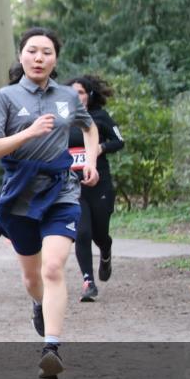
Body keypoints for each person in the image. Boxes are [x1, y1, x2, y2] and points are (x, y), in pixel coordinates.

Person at [0, 27, 99, 379]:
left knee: (53, 268)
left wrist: (90, 160)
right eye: (32, 51)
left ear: (55, 59)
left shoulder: (67, 96)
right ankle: (38, 304)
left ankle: (52, 347)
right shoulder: (5, 97)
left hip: (62, 189)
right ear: (21, 56)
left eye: (46, 52)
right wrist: (29, 132)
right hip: (20, 192)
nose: (39, 58)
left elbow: (89, 128)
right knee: (32, 276)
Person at [66, 75, 123, 301]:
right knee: (82, 232)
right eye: (72, 93)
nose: (77, 97)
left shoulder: (99, 117)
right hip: (73, 184)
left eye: (80, 92)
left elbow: (119, 141)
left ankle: (106, 249)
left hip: (100, 184)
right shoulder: (64, 119)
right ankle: (88, 282)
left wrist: (100, 147)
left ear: (89, 95)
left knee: (99, 234)